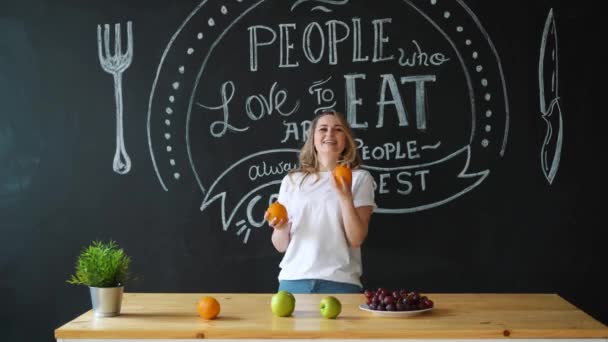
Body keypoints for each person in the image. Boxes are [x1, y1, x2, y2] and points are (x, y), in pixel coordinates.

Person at [265, 111, 376, 293]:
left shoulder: (359, 178)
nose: (330, 134)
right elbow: (280, 245)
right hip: (293, 281)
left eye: (338, 130)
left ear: (346, 139)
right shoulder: (292, 180)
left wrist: (345, 197)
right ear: (313, 138)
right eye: (323, 129)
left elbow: (356, 239)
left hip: (341, 282)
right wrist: (280, 227)